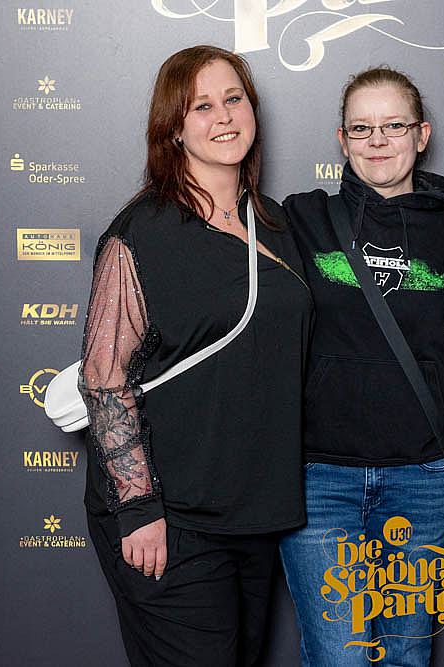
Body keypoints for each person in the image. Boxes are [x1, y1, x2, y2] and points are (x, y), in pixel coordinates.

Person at [78, 45, 312, 666]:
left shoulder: (276, 224)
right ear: (174, 128)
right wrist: (139, 508)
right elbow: (104, 379)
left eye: (234, 99)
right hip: (171, 517)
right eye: (201, 106)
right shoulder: (142, 232)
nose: (223, 116)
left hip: (254, 512)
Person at [280, 67, 444, 667]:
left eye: (394, 125)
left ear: (422, 134)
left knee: (406, 659)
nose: (378, 140)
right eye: (361, 128)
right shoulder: (302, 219)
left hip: (423, 479)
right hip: (319, 480)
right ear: (342, 140)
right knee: (338, 659)